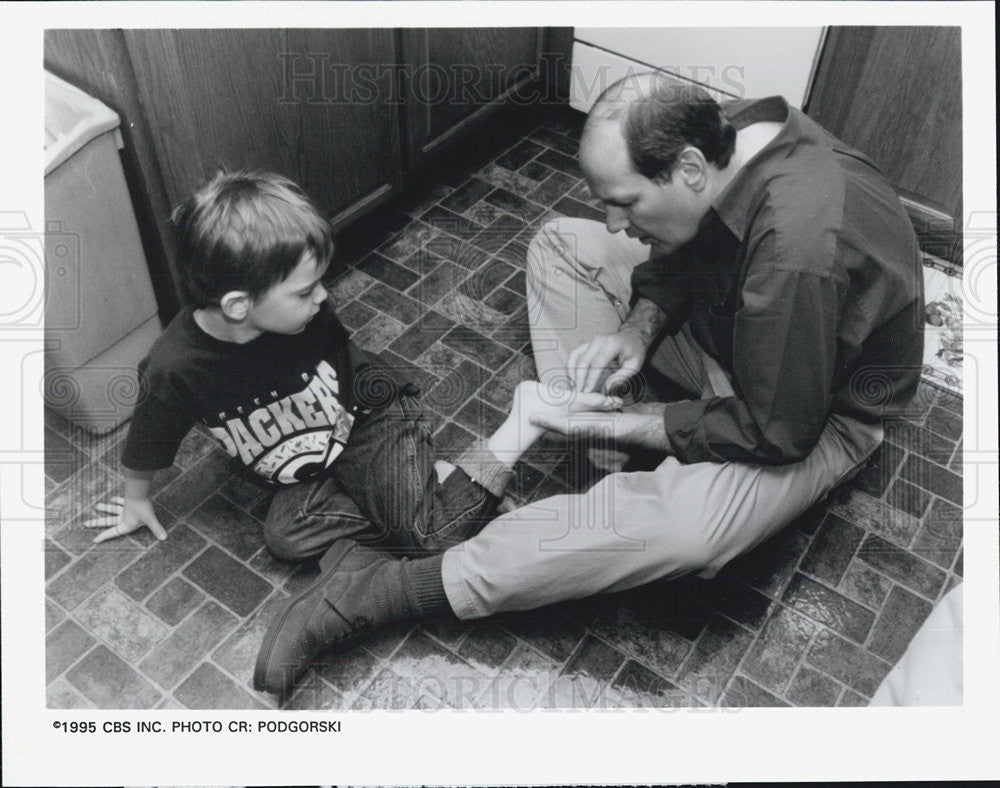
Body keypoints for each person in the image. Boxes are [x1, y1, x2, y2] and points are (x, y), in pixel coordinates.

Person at [250, 73, 926, 696]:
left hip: (816, 413)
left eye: (624, 203)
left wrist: (610, 424)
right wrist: (637, 330)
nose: (615, 223)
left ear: (689, 169)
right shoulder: (733, 134)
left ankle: (386, 589)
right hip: (741, 331)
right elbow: (693, 250)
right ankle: (629, 457)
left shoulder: (795, 255)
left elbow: (774, 429)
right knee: (560, 247)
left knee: (690, 532)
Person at [81, 171, 621, 693]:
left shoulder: (305, 316)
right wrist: (136, 501)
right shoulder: (175, 367)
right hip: (314, 463)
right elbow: (150, 435)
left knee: (431, 535)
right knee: (285, 537)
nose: (322, 298)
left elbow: (348, 372)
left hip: (368, 421)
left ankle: (518, 422)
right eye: (305, 290)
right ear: (238, 306)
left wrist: (375, 460)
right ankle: (441, 493)